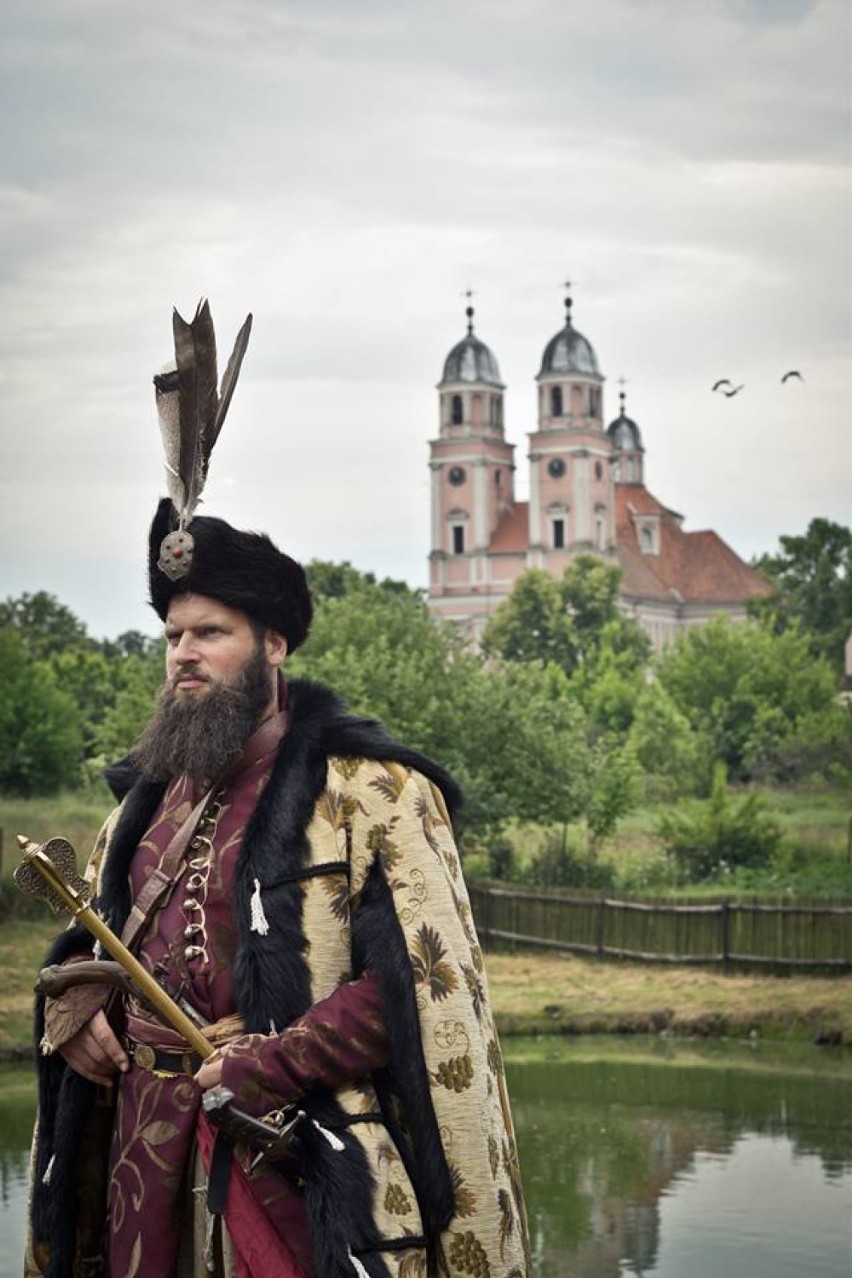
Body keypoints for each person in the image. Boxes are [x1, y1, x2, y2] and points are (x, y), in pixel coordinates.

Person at [26, 316, 531, 1278]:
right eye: (173, 635)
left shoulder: (376, 793)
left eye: (210, 632)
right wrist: (78, 999)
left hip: (294, 1162)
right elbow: (102, 949)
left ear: (273, 646)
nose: (183, 655)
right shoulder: (143, 803)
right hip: (142, 1160)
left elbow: (417, 993)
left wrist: (270, 1057)